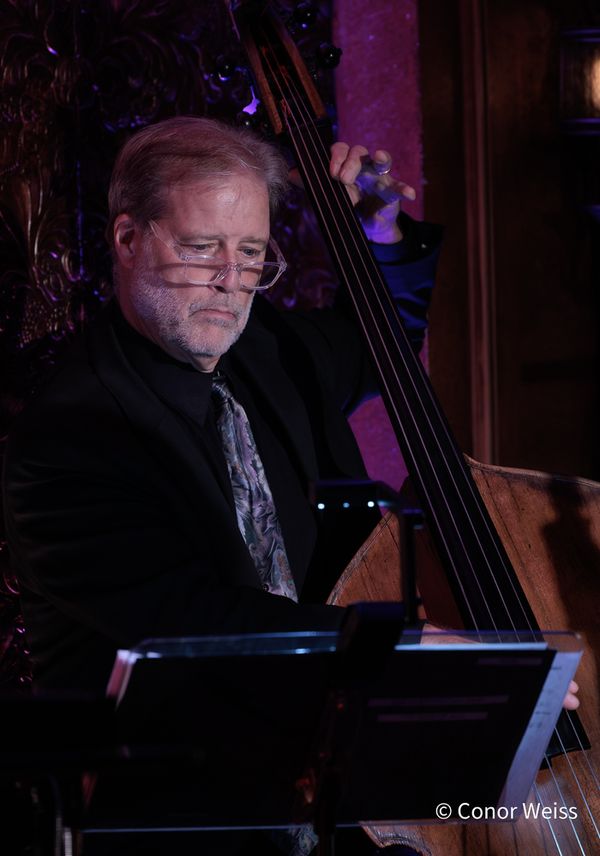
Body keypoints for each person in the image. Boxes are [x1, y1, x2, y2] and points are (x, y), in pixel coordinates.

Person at [3, 116, 440, 694]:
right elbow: (198, 628)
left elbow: (382, 346)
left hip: (329, 738)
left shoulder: (267, 352)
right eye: (202, 248)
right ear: (129, 240)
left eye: (252, 251)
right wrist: (389, 646)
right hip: (180, 766)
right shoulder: (67, 442)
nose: (231, 281)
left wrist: (379, 231)